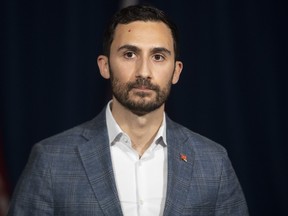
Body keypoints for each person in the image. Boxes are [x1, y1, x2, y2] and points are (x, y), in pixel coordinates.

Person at [7, 4, 249, 216]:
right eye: (130, 54)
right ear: (105, 66)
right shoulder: (50, 160)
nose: (143, 71)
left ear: (176, 71)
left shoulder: (213, 162)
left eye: (158, 56)